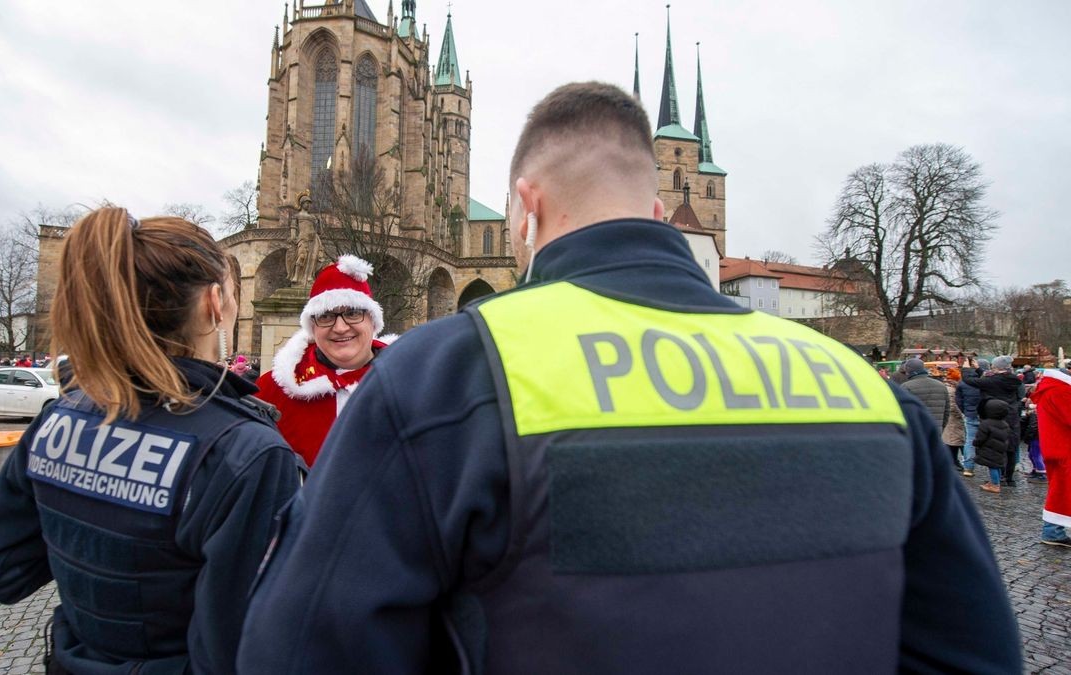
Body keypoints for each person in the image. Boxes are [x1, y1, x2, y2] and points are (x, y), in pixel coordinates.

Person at [236, 82, 1019, 673]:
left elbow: (302, 646)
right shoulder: (855, 383)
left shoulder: (443, 374)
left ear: (524, 210)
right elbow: (974, 649)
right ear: (655, 204)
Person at [0, 207, 303, 673]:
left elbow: (1, 571)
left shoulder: (62, 415)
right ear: (214, 302)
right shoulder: (244, 450)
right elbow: (238, 648)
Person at [254, 255, 396, 467]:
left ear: (373, 321)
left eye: (353, 313)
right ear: (313, 327)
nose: (340, 327)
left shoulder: (412, 385)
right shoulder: (269, 394)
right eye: (326, 316)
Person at [965, 356, 1026, 485]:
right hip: (1012, 414)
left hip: (996, 414)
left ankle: (998, 479)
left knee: (997, 447)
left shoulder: (994, 381)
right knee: (1011, 448)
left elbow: (970, 381)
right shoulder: (1014, 380)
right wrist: (979, 369)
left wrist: (965, 369)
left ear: (997, 367)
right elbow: (991, 380)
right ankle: (1009, 478)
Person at [1031, 368, 1071, 546]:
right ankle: (1052, 531)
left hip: (1056, 446)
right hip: (1064, 448)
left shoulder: (1052, 388)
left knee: (1060, 489)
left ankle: (1053, 531)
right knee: (1061, 490)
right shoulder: (1060, 391)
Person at [956, 358, 988, 477]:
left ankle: (968, 467)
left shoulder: (964, 383)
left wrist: (966, 411)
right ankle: (994, 469)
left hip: (970, 414)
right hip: (987, 414)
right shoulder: (988, 381)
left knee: (970, 441)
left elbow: (958, 400)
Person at [900, 357, 949, 431]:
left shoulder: (906, 386)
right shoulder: (941, 386)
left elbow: (903, 412)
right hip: (936, 430)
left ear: (908, 371)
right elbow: (947, 411)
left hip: (916, 432)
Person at [974, 399, 1011, 493]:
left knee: (992, 467)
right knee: (997, 466)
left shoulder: (986, 424)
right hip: (1000, 449)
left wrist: (976, 443)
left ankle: (995, 485)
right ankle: (995, 482)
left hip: (989, 449)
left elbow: (980, 438)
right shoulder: (1005, 424)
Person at [941, 368, 966, 470]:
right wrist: (962, 414)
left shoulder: (949, 387)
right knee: (953, 441)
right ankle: (953, 461)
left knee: (953, 440)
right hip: (954, 419)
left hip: (952, 419)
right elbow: (953, 406)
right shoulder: (951, 390)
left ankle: (954, 461)